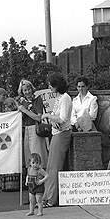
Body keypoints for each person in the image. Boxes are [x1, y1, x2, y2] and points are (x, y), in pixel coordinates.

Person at [41, 73, 72, 208]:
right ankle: (47, 196)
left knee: (55, 167)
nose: (49, 87)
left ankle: (51, 198)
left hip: (62, 134)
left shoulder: (65, 98)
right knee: (50, 166)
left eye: (51, 85)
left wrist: (48, 115)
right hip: (57, 132)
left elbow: (63, 119)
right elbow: (57, 118)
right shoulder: (59, 98)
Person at [17, 79, 48, 176]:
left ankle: (41, 179)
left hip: (35, 129)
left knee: (37, 156)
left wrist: (25, 111)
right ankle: (31, 179)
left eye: (28, 89)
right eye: (25, 90)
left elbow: (38, 117)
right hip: (26, 130)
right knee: (29, 157)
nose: (27, 92)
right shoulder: (22, 101)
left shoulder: (37, 99)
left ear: (32, 89)